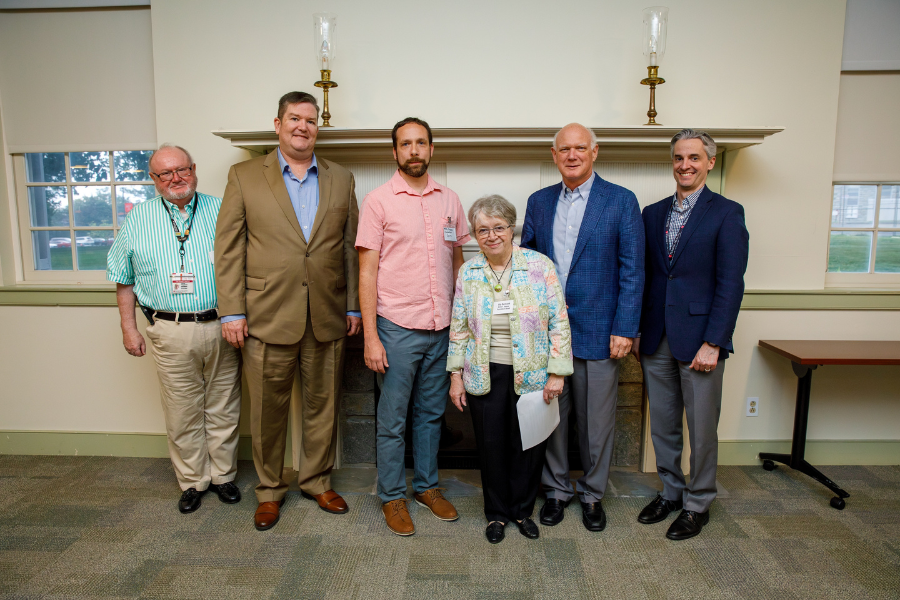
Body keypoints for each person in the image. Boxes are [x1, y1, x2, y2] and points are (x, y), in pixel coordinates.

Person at [215, 91, 361, 531]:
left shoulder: (341, 177)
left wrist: (353, 304)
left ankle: (316, 481)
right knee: (267, 411)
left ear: (318, 128)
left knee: (323, 406)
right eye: (294, 119)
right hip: (263, 315)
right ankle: (270, 489)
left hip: (327, 313)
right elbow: (228, 249)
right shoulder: (244, 176)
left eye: (310, 120)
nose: (303, 127)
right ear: (277, 124)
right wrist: (231, 312)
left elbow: (351, 249)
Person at [521, 123, 644, 532]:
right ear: (553, 156)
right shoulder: (538, 202)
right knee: (551, 417)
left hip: (600, 330)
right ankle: (556, 490)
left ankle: (592, 494)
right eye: (563, 150)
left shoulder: (621, 201)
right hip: (548, 332)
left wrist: (625, 328)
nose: (571, 156)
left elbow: (632, 270)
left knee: (596, 423)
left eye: (580, 149)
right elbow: (529, 266)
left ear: (594, 152)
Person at [107, 144, 241, 514]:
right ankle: (192, 481)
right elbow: (123, 278)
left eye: (181, 170)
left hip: (222, 325)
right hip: (169, 328)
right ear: (153, 179)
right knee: (182, 411)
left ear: (194, 169)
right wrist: (128, 329)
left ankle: (223, 476)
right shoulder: (138, 219)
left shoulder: (222, 209)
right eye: (164, 173)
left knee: (223, 406)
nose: (175, 179)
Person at [632, 129, 749, 540]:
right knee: (663, 426)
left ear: (710, 162)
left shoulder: (727, 212)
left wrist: (714, 341)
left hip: (701, 340)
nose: (686, 165)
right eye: (679, 157)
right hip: (656, 337)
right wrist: (637, 331)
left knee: (701, 429)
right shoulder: (652, 212)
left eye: (694, 158)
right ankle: (671, 491)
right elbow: (644, 276)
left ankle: (698, 503)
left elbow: (731, 283)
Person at [356, 117, 470, 536]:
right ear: (395, 152)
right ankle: (391, 496)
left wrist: (462, 324)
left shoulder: (450, 201)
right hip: (397, 327)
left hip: (441, 328)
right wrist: (371, 336)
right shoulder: (378, 201)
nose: (415, 151)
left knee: (430, 415)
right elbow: (367, 272)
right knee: (393, 419)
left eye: (421, 143)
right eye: (406, 144)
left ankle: (426, 487)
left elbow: (456, 263)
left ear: (431, 149)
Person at [448, 195, 573, 544]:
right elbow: (458, 325)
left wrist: (557, 372)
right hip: (484, 372)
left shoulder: (539, 266)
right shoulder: (469, 271)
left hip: (532, 374)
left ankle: (522, 511)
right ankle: (497, 515)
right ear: (474, 234)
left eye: (498, 227)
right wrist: (455, 375)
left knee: (528, 446)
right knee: (491, 447)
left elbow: (559, 322)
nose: (491, 236)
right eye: (482, 230)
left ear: (511, 228)